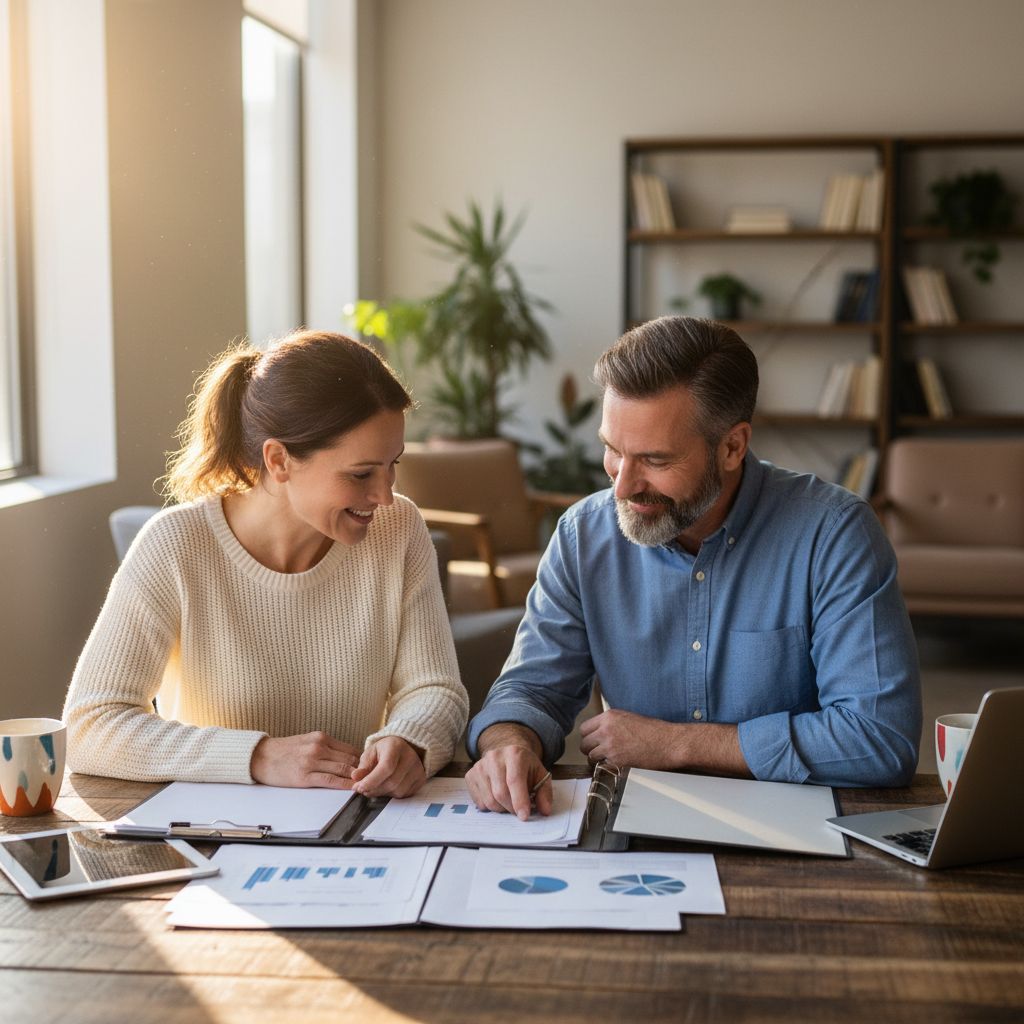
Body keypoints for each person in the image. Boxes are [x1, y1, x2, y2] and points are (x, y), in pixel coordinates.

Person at [466, 316, 921, 818]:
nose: (621, 487)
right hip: (635, 836)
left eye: (655, 461)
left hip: (791, 834)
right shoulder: (583, 535)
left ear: (732, 446)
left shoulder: (834, 533)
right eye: (613, 451)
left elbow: (880, 739)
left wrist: (680, 744)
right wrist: (509, 743)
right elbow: (529, 691)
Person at [64, 330, 468, 797]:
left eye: (392, 464)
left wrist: (410, 740)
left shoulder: (398, 529)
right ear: (278, 460)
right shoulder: (176, 545)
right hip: (214, 839)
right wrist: (257, 756)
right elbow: (91, 725)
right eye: (361, 474)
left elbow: (436, 688)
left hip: (356, 829)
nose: (384, 494)